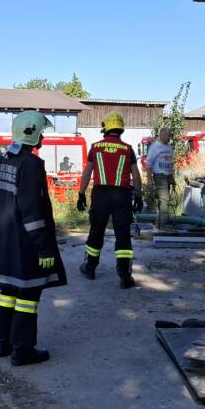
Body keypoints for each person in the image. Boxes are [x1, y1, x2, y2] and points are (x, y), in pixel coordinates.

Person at [0, 111, 67, 365]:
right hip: (25, 242)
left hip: (4, 238)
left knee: (7, 291)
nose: (43, 137)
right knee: (28, 295)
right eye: (41, 132)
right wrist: (43, 247)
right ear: (31, 133)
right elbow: (32, 209)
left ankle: (3, 342)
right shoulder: (30, 164)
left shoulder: (5, 160)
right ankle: (23, 349)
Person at [76, 111, 143, 288]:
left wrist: (81, 194)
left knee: (96, 231)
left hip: (100, 195)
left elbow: (87, 173)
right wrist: (138, 195)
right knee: (123, 234)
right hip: (122, 195)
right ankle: (125, 277)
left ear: (105, 128)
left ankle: (89, 268)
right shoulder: (127, 149)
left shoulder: (96, 147)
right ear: (120, 129)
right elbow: (136, 175)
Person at [145, 127, 175, 230]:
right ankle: (163, 225)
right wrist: (149, 180)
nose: (170, 137)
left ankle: (158, 224)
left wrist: (172, 176)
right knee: (165, 199)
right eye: (168, 135)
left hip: (168, 176)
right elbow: (148, 164)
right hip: (159, 176)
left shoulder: (169, 147)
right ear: (162, 135)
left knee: (162, 201)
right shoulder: (155, 147)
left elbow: (170, 163)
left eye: (170, 135)